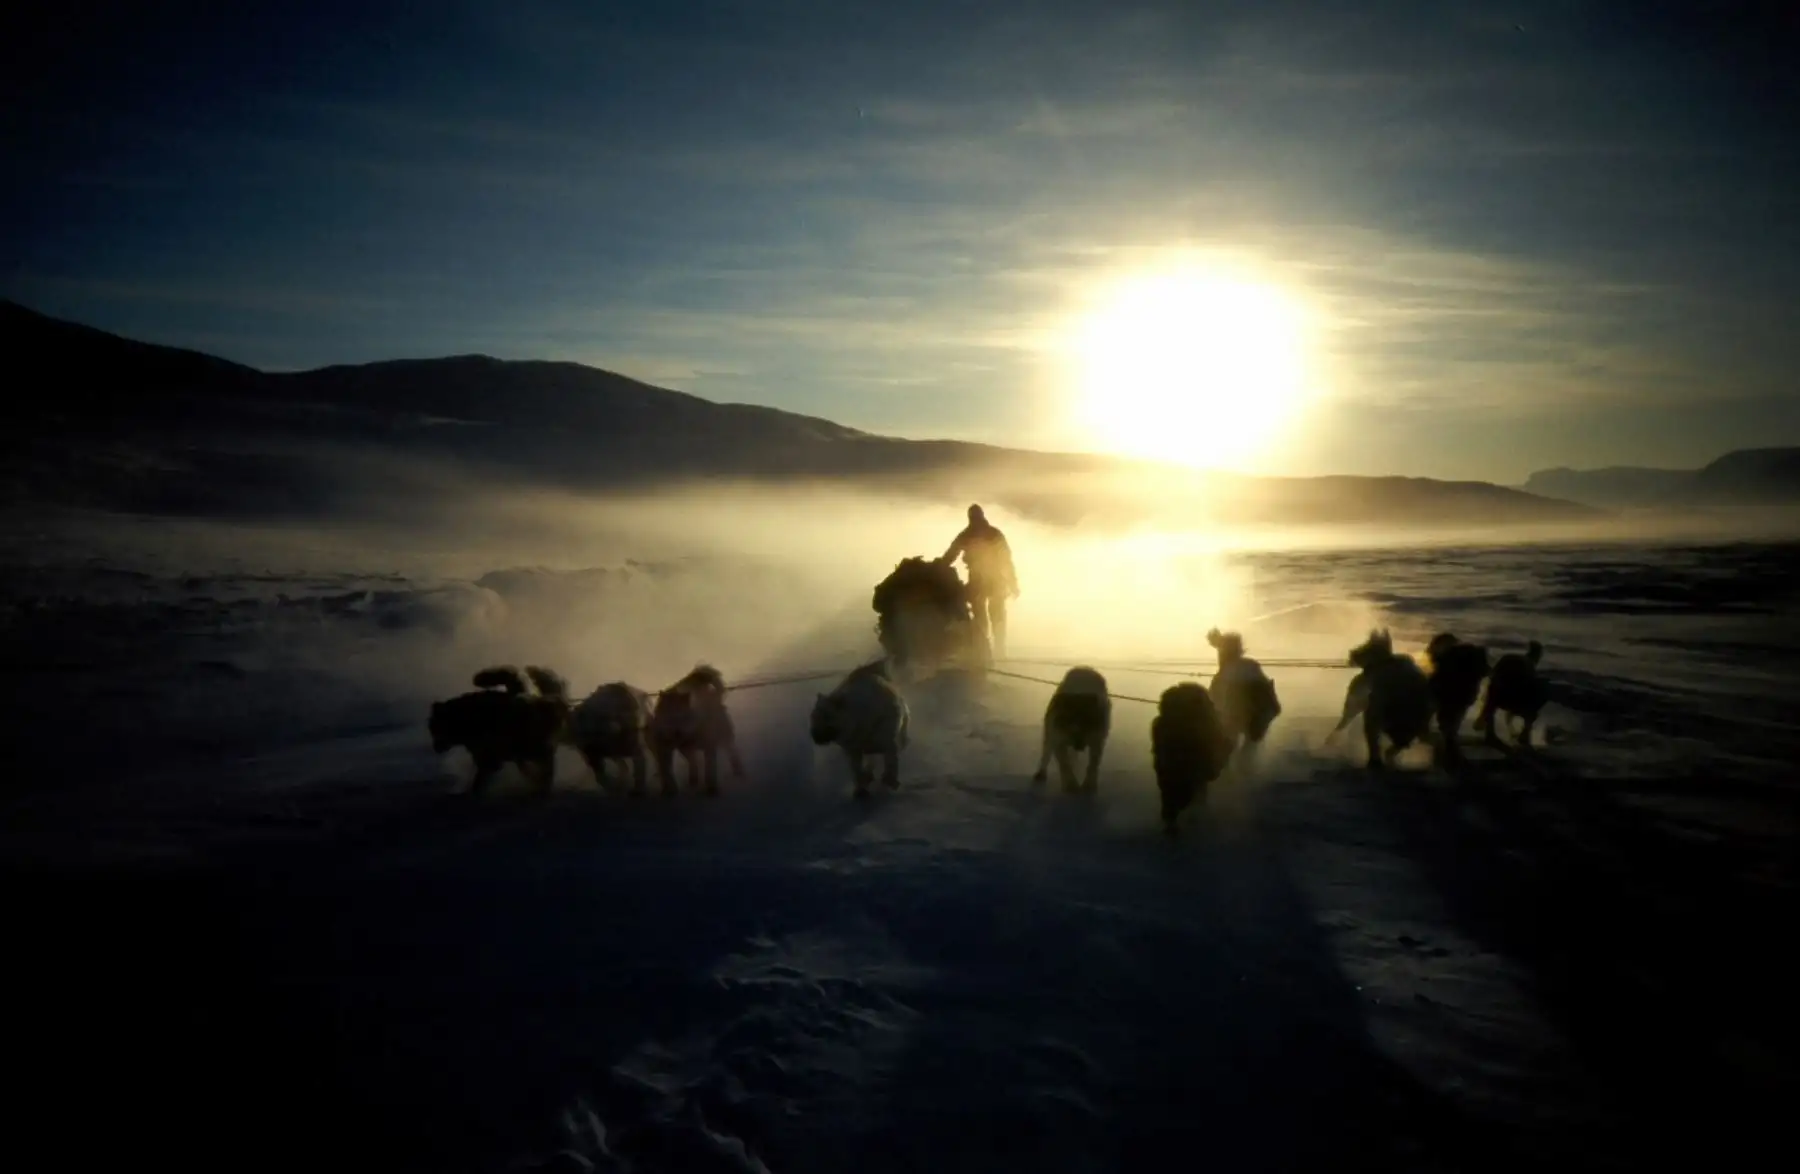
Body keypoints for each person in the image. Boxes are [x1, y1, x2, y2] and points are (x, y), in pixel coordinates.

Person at [939, 503, 1019, 658]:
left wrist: (1012, 582)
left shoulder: (975, 534)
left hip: (991, 579)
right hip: (986, 580)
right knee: (986, 614)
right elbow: (951, 554)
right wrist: (940, 565)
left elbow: (1006, 559)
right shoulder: (990, 533)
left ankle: (995, 649)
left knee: (991, 614)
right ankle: (990, 648)